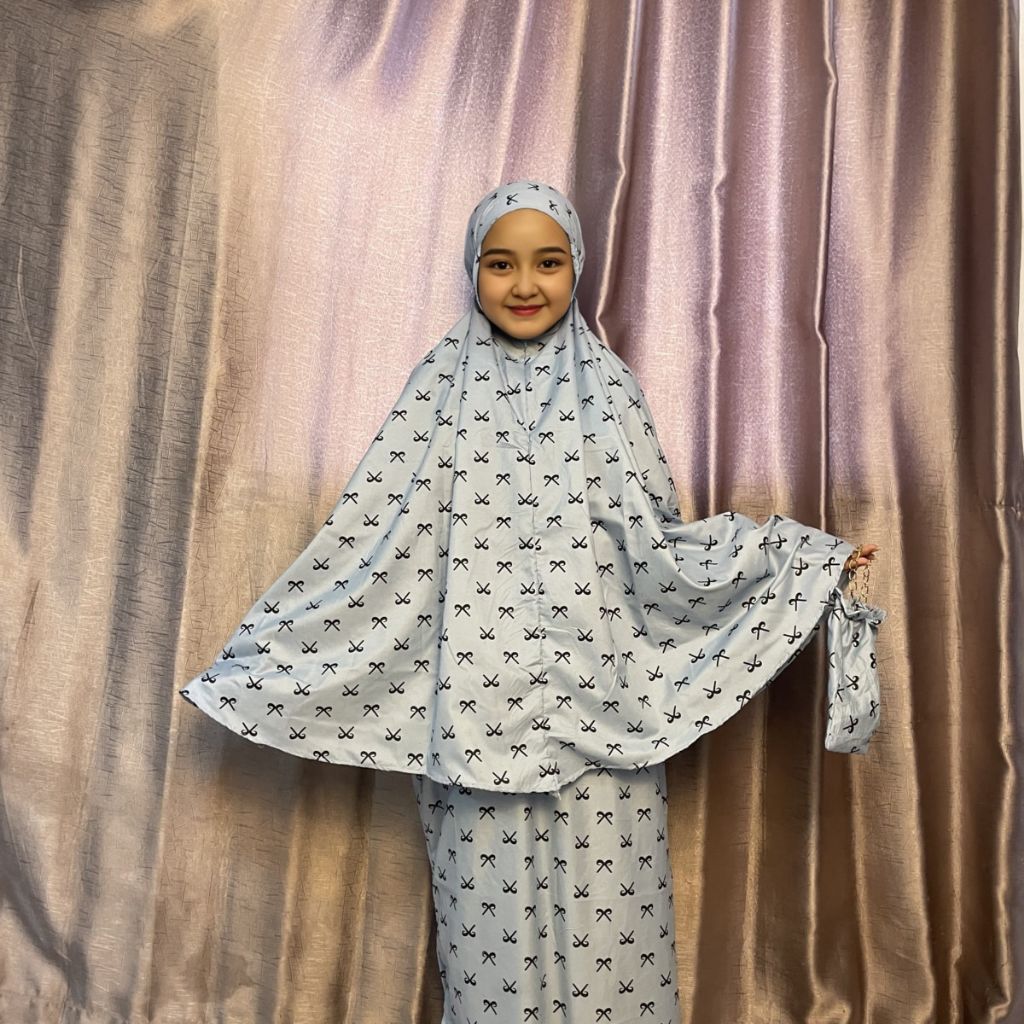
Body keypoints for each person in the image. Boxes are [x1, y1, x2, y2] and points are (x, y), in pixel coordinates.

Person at [179, 179, 885, 1024]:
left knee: (613, 939)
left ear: (576, 266)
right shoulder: (436, 392)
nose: (524, 284)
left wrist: (796, 559)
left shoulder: (610, 391)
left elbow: (659, 549)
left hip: (603, 720)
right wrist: (270, 659)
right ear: (473, 269)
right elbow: (374, 541)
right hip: (472, 725)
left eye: (547, 263)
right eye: (500, 263)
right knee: (491, 951)